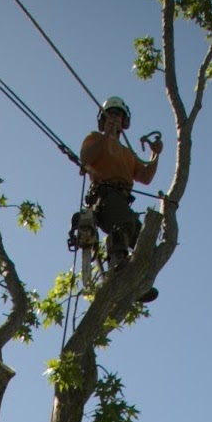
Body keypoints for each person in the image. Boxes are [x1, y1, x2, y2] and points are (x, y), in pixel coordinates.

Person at [79, 96, 162, 299]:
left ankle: (137, 281)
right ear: (103, 119)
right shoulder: (95, 139)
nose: (114, 118)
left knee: (145, 238)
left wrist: (155, 155)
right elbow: (86, 158)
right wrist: (106, 135)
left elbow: (145, 177)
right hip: (105, 197)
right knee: (123, 222)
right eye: (111, 114)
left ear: (124, 121)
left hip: (122, 199)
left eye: (118, 115)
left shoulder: (127, 152)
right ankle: (118, 265)